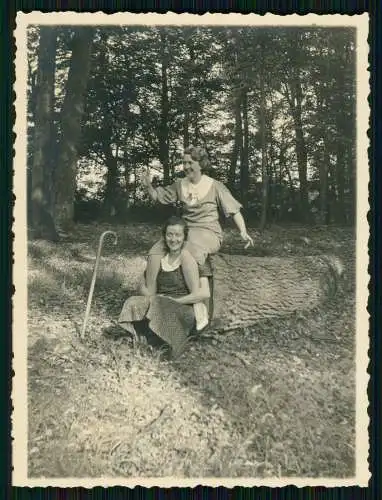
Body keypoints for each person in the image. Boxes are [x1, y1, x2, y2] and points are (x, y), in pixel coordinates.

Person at [142, 144, 254, 329]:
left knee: (187, 251)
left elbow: (234, 210)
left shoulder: (214, 185)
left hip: (208, 232)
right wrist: (148, 186)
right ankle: (151, 299)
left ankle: (198, 304)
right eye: (184, 163)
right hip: (185, 231)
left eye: (190, 162)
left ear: (201, 164)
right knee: (156, 250)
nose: (186, 167)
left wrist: (243, 231)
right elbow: (158, 197)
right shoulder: (180, 184)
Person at [118, 216, 211, 358]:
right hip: (160, 303)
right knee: (133, 301)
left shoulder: (195, 257)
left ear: (184, 237)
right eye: (170, 235)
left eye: (178, 235)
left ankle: (174, 343)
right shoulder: (160, 257)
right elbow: (149, 293)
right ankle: (143, 337)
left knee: (159, 305)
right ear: (164, 236)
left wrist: (173, 301)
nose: (174, 239)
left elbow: (204, 294)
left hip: (187, 308)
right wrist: (141, 282)